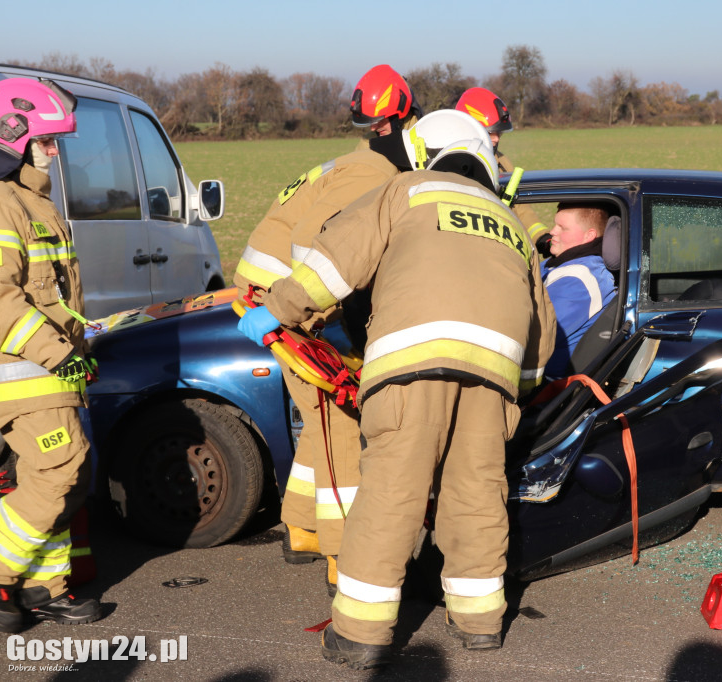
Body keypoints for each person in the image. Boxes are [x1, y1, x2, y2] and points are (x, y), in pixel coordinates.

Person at [237, 110, 556, 669]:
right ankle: (479, 621)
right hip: (494, 377)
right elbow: (540, 335)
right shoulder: (508, 222)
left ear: (423, 153)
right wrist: (520, 391)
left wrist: (275, 311)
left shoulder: (404, 190)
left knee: (392, 491)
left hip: (411, 364)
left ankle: (360, 633)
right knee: (477, 492)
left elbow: (333, 266)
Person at [233, 96, 417, 596]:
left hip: (274, 303)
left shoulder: (355, 162)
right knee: (339, 426)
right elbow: (320, 246)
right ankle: (344, 554)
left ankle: (304, 528)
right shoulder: (373, 173)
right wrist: (320, 314)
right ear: (393, 124)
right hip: (293, 312)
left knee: (317, 424)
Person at [0, 78, 104, 633]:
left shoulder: (36, 203)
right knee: (59, 469)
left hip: (49, 369)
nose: (56, 152)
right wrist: (56, 353)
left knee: (64, 472)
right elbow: (0, 297)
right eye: (47, 141)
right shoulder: (1, 204)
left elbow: (55, 298)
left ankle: (44, 587)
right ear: (12, 138)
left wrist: (81, 344)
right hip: (23, 372)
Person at [455, 87, 550, 254]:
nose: (496, 138)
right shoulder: (447, 164)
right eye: (490, 132)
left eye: (499, 132)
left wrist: (542, 238)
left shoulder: (501, 161)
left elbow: (519, 207)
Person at [540, 203, 617, 378]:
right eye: (555, 224)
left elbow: (537, 336)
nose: (552, 231)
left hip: (545, 385)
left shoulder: (578, 281)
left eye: (563, 228)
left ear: (589, 236)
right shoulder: (559, 263)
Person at [351, 65, 421, 151]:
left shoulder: (429, 138)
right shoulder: (367, 144)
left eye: (379, 120)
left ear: (398, 114)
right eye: (371, 122)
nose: (372, 128)